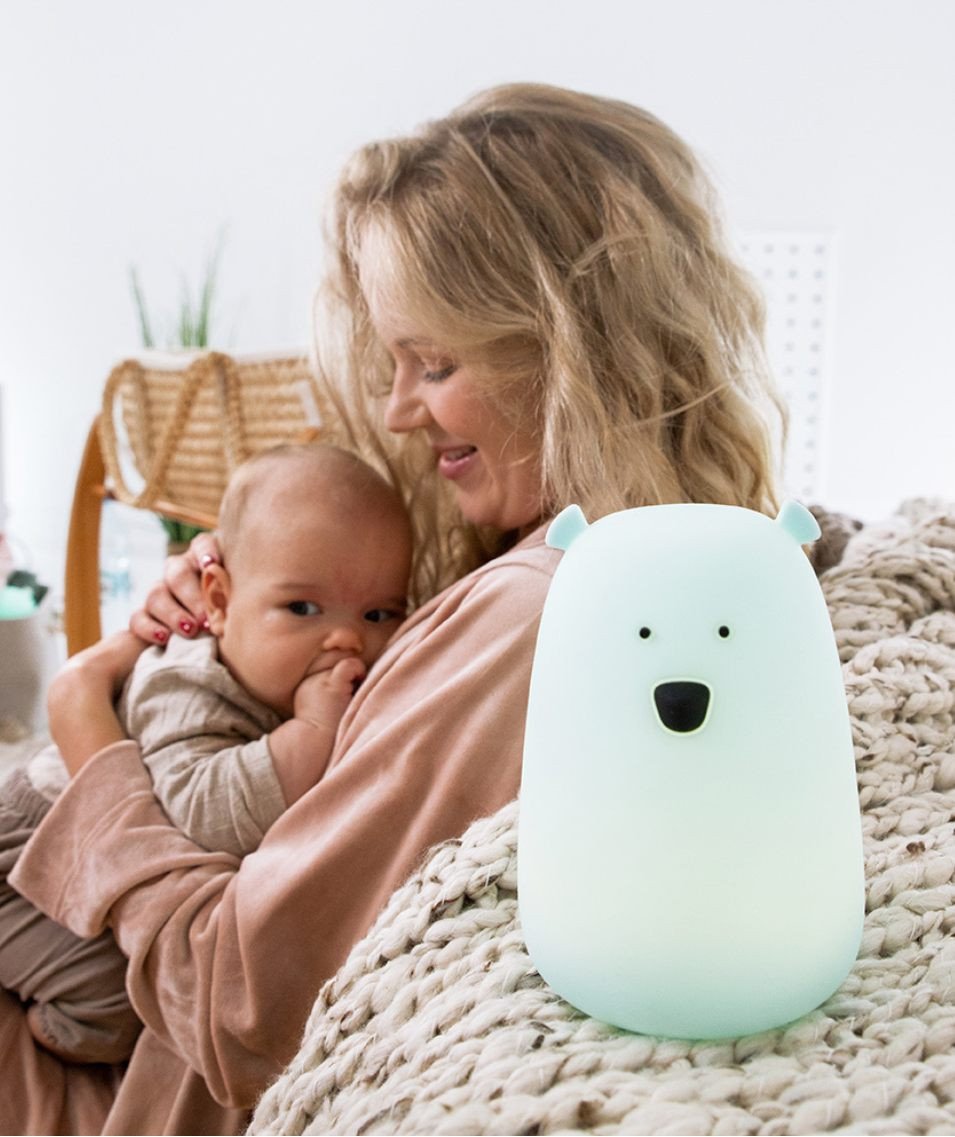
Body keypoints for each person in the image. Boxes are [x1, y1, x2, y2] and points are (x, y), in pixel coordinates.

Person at [1, 83, 784, 1134]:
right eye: (394, 362)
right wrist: (224, 651)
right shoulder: (665, 563)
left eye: (435, 364)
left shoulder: (534, 619)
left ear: (569, 350)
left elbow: (242, 1003)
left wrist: (93, 744)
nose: (395, 408)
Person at [0, 442, 411, 1065]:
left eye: (380, 613)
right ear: (217, 602)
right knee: (107, 1012)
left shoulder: (288, 676)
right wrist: (310, 733)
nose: (348, 638)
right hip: (30, 855)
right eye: (302, 608)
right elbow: (200, 818)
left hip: (98, 864)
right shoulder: (189, 685)